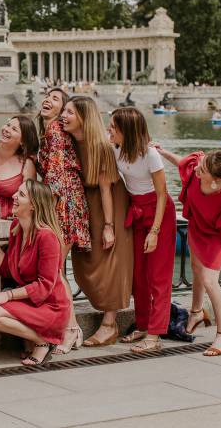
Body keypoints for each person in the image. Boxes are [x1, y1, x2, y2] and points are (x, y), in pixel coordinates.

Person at [156, 147, 221, 356]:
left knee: (209, 280)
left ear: (217, 179)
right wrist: (162, 152)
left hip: (216, 235)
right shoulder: (198, 167)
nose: (197, 170)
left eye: (202, 170)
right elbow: (183, 162)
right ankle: (196, 313)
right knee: (195, 268)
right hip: (197, 226)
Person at [0, 179, 70, 365]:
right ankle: (40, 340)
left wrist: (7, 295)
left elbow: (45, 285)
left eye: (21, 195)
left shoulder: (47, 237)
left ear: (33, 205)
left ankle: (43, 342)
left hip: (50, 307)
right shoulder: (18, 228)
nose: (14, 196)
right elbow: (8, 268)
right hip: (28, 301)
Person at [63, 96, 133, 350]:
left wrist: (108, 226)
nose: (64, 115)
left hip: (109, 202)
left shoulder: (100, 146)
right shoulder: (68, 141)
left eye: (69, 111)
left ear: (83, 116)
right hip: (85, 201)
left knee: (109, 258)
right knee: (85, 260)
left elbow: (106, 189)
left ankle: (109, 323)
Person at [108, 108, 177, 354]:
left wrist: (155, 231)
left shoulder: (150, 155)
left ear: (126, 130)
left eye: (113, 128)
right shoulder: (116, 150)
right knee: (139, 274)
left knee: (158, 274)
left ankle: (156, 334)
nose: (109, 131)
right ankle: (144, 324)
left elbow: (161, 194)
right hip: (137, 211)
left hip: (159, 213)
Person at [35, 88, 90, 353]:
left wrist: (46, 213)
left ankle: (71, 329)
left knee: (55, 270)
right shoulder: (50, 131)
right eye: (47, 95)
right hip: (68, 201)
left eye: (56, 99)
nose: (48, 99)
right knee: (58, 270)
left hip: (63, 203)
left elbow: (55, 176)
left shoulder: (55, 131)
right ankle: (69, 328)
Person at [0, 115, 38, 219]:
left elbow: (29, 201)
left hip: (7, 223)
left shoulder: (27, 165)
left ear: (23, 141)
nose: (6, 129)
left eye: (14, 129)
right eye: (8, 125)